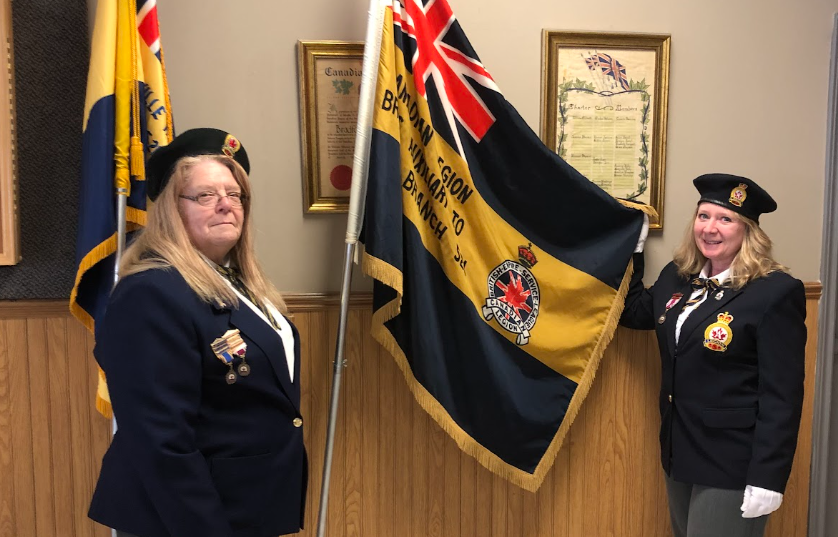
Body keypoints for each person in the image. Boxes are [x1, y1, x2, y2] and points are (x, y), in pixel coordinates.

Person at [88, 128, 307, 537]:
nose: (226, 205)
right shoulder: (151, 293)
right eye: (205, 195)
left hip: (245, 505)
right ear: (172, 208)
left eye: (234, 194)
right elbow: (161, 440)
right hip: (186, 517)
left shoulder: (238, 284)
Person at [620, 173, 806, 537]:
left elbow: (781, 396)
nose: (710, 228)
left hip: (733, 462)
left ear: (748, 231)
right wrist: (632, 247)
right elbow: (634, 312)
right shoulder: (678, 276)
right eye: (703, 216)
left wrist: (768, 477)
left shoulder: (774, 292)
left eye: (725, 219)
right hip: (679, 450)